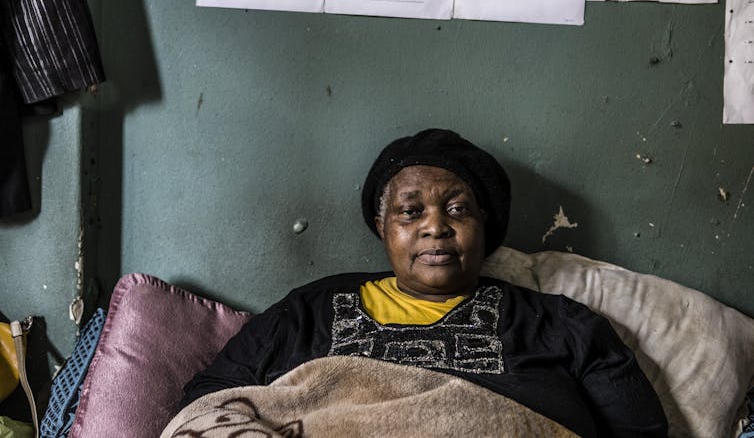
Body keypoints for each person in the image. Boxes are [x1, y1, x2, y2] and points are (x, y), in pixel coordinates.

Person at [179, 128, 668, 438]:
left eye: (457, 210)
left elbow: (640, 429)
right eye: (411, 212)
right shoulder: (314, 307)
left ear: (485, 225)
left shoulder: (559, 324)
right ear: (381, 225)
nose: (435, 227)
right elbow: (210, 401)